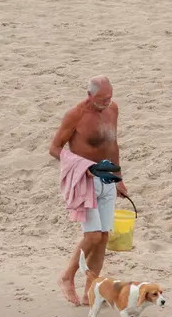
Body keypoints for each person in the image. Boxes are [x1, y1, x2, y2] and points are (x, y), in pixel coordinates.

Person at [49, 75, 127, 305]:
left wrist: (119, 178)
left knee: (103, 237)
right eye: (101, 99)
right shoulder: (76, 115)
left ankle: (90, 292)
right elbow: (54, 148)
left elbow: (112, 144)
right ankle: (66, 276)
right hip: (86, 180)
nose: (106, 103)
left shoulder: (113, 109)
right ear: (89, 95)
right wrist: (83, 166)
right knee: (91, 236)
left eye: (109, 98)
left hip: (108, 179)